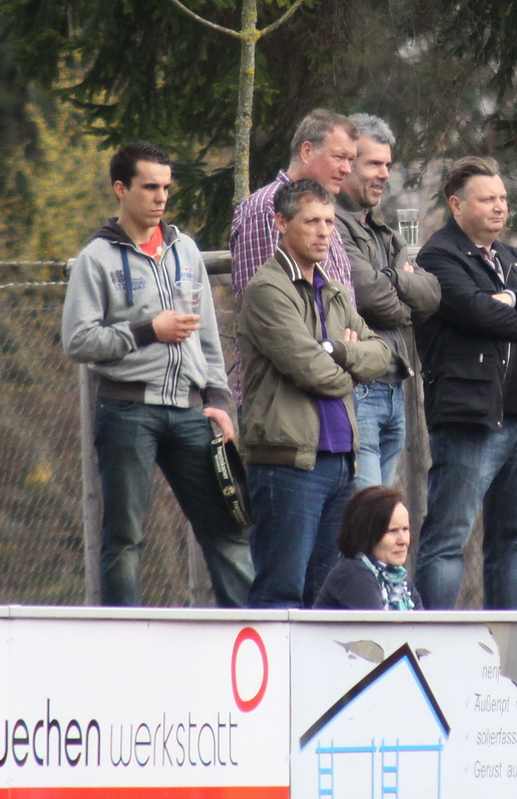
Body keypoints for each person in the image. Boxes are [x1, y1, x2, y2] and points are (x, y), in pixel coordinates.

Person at [62, 141, 253, 607]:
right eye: (149, 187)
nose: (161, 197)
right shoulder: (95, 259)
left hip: (191, 412)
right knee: (124, 537)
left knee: (227, 530)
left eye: (166, 187)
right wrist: (148, 330)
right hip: (126, 410)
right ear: (120, 189)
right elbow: (78, 341)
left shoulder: (185, 251)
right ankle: (122, 638)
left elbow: (209, 336)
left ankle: (251, 632)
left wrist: (220, 401)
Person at [412, 156, 517, 609]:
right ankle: (431, 640)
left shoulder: (510, 258)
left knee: (514, 542)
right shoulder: (438, 257)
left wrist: (516, 299)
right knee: (449, 538)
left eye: (503, 198)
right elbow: (478, 312)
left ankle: (505, 642)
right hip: (472, 419)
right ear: (457, 205)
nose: (500, 207)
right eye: (487, 199)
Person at [237, 179, 390, 608]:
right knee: (281, 594)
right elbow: (313, 371)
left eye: (329, 222)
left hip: (341, 462)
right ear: (280, 222)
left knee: (325, 598)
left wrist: (337, 350)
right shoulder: (267, 290)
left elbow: (382, 354)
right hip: (288, 463)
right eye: (311, 222)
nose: (324, 232)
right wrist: (350, 370)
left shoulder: (334, 291)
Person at [335, 114, 440, 489]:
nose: (384, 174)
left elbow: (431, 295)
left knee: (381, 512)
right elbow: (372, 298)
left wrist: (392, 279)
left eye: (387, 165)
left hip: (396, 390)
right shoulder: (332, 225)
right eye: (373, 164)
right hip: (359, 388)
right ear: (348, 163)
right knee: (364, 510)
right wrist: (403, 294)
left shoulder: (384, 232)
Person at [229, 110, 360, 405]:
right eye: (339, 157)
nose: (347, 169)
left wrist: (349, 356)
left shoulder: (325, 212)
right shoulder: (267, 209)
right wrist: (344, 356)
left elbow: (348, 315)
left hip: (333, 388)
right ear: (307, 151)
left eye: (351, 160)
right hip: (283, 400)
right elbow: (269, 318)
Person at [313, 486, 421, 610]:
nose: (403, 541)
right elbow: (378, 623)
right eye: (392, 531)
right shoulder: (353, 573)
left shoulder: (402, 583)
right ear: (367, 533)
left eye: (405, 529)